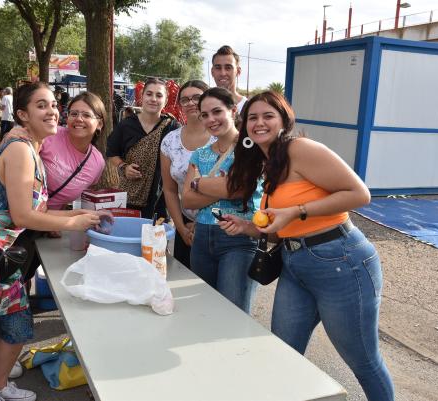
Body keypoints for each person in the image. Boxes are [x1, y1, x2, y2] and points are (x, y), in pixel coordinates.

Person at [0, 82, 108, 401]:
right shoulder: (20, 149)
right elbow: (23, 215)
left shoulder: (35, 147)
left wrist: (73, 220)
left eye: (54, 104)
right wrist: (72, 222)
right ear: (22, 115)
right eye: (41, 105)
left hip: (2, 255)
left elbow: (35, 210)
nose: (53, 110)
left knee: (16, 326)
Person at [219, 91, 394, 401]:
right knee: (284, 353)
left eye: (268, 116)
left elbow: (359, 193)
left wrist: (297, 210)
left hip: (341, 260)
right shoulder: (270, 163)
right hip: (295, 263)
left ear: (284, 120)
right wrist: (247, 227)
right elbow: (282, 230)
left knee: (363, 362)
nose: (259, 123)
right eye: (253, 118)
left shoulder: (300, 149)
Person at [181, 87, 261, 313]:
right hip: (202, 238)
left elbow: (240, 189)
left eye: (217, 111)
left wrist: (199, 183)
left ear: (233, 110)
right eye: (204, 115)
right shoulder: (200, 153)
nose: (211, 119)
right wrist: (221, 188)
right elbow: (186, 200)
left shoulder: (251, 148)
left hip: (239, 238)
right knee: (204, 310)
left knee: (232, 313)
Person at [107, 77, 180, 218]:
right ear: (142, 97)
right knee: (129, 236)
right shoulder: (126, 125)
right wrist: (124, 167)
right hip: (130, 196)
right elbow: (112, 152)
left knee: (154, 237)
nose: (153, 99)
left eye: (159, 95)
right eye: (149, 94)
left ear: (165, 101)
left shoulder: (172, 127)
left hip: (160, 197)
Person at [159, 80, 214, 267]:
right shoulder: (170, 141)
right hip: (186, 224)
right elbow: (169, 190)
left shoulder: (222, 137)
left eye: (197, 98)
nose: (191, 103)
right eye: (185, 100)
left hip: (220, 225)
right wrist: (181, 229)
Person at [211, 45, 247, 113]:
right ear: (212, 72)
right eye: (218, 68)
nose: (223, 73)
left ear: (238, 71)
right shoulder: (204, 107)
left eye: (228, 68)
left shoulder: (249, 108)